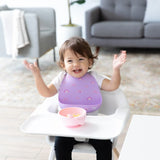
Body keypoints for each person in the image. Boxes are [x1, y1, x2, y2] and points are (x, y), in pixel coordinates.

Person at [24, 37, 127, 160]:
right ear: (63, 64)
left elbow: (112, 86)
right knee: (60, 146)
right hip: (67, 128)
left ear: (89, 62)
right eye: (70, 60)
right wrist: (37, 75)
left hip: (92, 126)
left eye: (81, 59)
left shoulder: (95, 77)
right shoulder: (61, 78)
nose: (76, 64)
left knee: (105, 146)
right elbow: (46, 92)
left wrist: (116, 70)